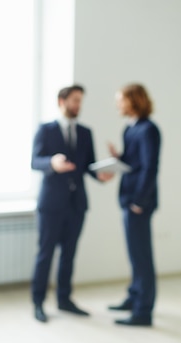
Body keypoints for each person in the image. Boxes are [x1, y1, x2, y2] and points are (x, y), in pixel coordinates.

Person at [30, 85, 113, 323]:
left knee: (69, 255)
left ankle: (65, 300)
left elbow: (88, 165)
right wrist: (52, 163)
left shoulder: (86, 132)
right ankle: (38, 303)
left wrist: (102, 175)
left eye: (80, 101)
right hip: (51, 205)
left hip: (77, 205)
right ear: (62, 101)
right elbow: (34, 161)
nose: (78, 105)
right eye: (75, 100)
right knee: (45, 254)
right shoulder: (45, 130)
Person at [108, 83, 161, 327]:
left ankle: (143, 311)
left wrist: (140, 201)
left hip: (139, 202)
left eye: (121, 100)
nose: (118, 104)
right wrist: (118, 159)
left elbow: (150, 168)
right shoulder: (131, 129)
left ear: (133, 100)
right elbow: (135, 162)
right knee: (134, 254)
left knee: (142, 256)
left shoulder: (149, 129)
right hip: (128, 199)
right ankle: (134, 297)